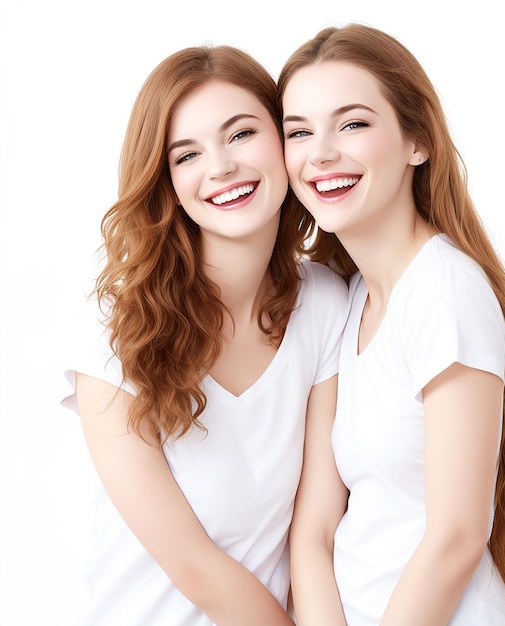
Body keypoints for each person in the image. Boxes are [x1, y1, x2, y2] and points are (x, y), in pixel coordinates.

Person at [60, 43, 349, 626]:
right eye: (186, 155)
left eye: (241, 135)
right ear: (166, 181)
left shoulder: (325, 303)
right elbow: (193, 567)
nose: (220, 167)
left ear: (286, 140)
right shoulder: (118, 335)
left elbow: (315, 529)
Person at [277, 23, 505, 626]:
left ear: (417, 142)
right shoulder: (348, 301)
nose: (321, 152)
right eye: (299, 132)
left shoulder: (445, 293)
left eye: (352, 123)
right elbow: (315, 530)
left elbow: (456, 539)